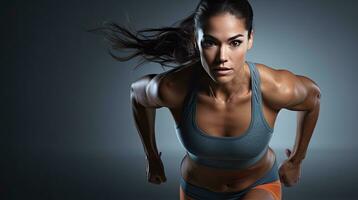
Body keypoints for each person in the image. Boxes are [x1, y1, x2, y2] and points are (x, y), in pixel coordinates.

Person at [91, 0, 321, 199]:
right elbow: (137, 95)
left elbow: (313, 98)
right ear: (195, 40)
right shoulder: (174, 88)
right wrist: (151, 157)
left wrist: (296, 161)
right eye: (211, 42)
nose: (222, 57)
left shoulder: (274, 88)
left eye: (235, 42)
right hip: (197, 190)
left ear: (250, 39)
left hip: (258, 186)